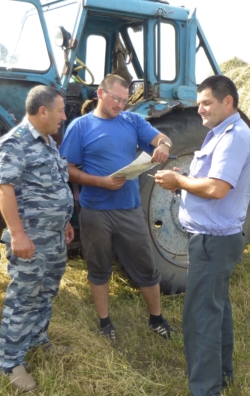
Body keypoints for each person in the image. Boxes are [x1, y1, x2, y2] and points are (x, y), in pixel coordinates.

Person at [154, 75, 250, 396]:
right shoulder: (221, 134)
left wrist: (179, 180)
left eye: (207, 102)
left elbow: (216, 189)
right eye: (199, 103)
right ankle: (222, 375)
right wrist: (184, 182)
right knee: (216, 308)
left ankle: (204, 393)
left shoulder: (234, 137)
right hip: (214, 238)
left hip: (213, 241)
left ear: (229, 102)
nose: (200, 109)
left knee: (200, 315)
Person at [58, 74, 175, 341]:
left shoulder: (132, 121)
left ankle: (156, 319)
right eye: (116, 99)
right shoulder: (80, 126)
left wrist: (164, 146)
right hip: (95, 211)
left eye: (125, 100)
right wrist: (99, 181)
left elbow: (161, 138)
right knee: (98, 268)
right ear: (100, 93)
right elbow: (67, 170)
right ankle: (105, 324)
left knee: (146, 265)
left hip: (129, 208)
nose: (121, 105)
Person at [0, 85, 75, 392]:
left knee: (46, 293)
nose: (64, 116)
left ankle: (38, 342)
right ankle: (10, 363)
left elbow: (53, 185)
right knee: (23, 299)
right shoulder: (14, 143)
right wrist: (18, 234)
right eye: (60, 110)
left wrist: (64, 221)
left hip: (53, 237)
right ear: (42, 111)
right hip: (31, 239)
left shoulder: (48, 142)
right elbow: (4, 188)